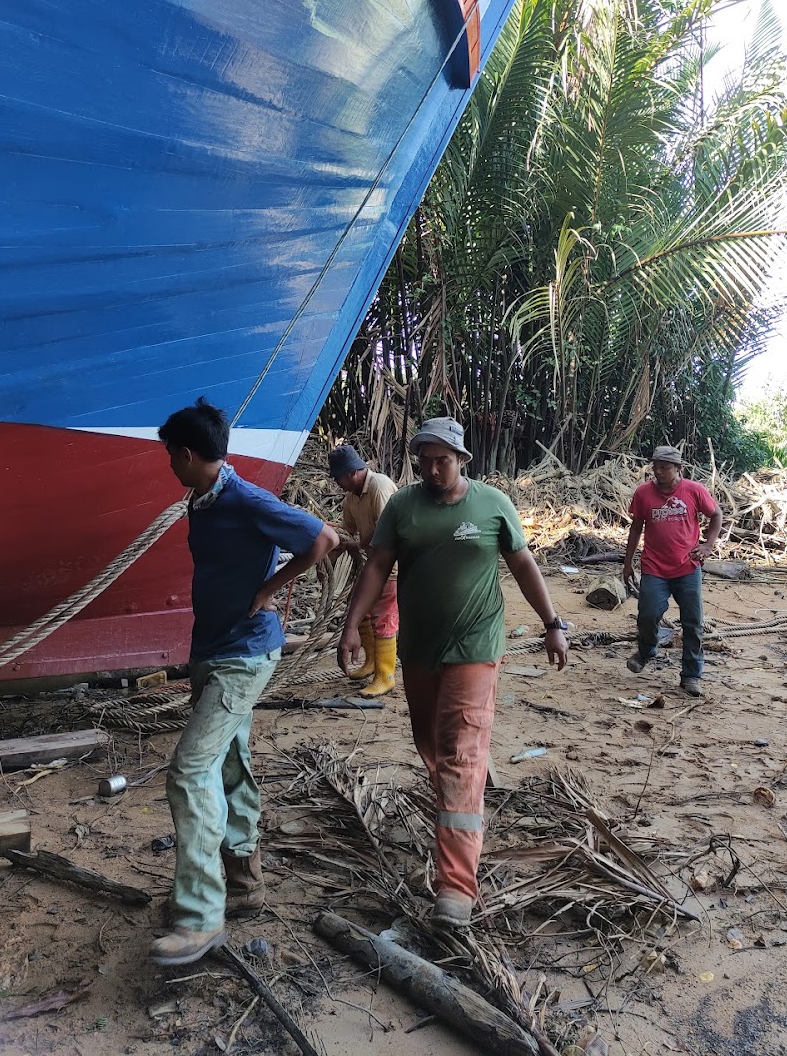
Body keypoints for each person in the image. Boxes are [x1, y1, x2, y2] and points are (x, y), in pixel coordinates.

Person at [337, 416, 568, 927]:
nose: (433, 469)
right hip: (419, 651)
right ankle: (466, 794)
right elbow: (378, 566)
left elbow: (523, 564)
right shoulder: (402, 506)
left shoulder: (491, 504)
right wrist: (353, 624)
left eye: (443, 459)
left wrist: (553, 623)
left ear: (463, 460)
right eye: (425, 460)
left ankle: (456, 888)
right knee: (435, 750)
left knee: (459, 756)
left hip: (476, 647)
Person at [151, 399, 338, 966]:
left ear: (186, 455)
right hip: (213, 651)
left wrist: (270, 589)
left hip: (244, 656)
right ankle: (243, 879)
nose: (169, 467)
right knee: (229, 761)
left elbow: (322, 537)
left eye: (169, 458)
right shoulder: (203, 501)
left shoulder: (244, 498)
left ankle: (200, 917)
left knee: (188, 770)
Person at [623, 445, 723, 698]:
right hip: (654, 566)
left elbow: (716, 514)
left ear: (678, 469)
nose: (658, 471)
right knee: (648, 613)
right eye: (656, 466)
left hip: (687, 567)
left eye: (665, 467)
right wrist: (627, 563)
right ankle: (646, 650)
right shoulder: (644, 493)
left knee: (693, 623)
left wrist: (708, 545)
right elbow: (635, 529)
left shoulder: (694, 491)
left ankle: (691, 676)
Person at [328, 444, 400, 697]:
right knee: (364, 612)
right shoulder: (352, 497)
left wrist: (353, 544)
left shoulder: (379, 487)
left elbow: (390, 535)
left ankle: (385, 675)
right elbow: (346, 530)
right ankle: (371, 663)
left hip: (391, 565)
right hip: (372, 564)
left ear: (351, 473)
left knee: (383, 617)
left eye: (337, 477)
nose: (336, 482)